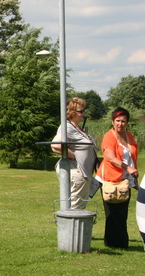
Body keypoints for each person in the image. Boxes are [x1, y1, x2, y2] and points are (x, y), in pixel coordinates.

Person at [96, 107, 138, 248]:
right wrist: (129, 168)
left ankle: (121, 243)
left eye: (123, 121)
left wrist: (133, 174)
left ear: (127, 122)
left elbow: (132, 155)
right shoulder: (109, 136)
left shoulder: (129, 136)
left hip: (125, 179)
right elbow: (111, 158)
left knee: (123, 213)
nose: (120, 124)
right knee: (113, 213)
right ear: (112, 121)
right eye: (118, 121)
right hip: (110, 179)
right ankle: (112, 243)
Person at [51, 97, 98, 209]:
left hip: (83, 174)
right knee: (74, 209)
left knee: (78, 208)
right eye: (80, 111)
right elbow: (56, 145)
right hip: (77, 172)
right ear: (71, 112)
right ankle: (69, 227)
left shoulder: (77, 128)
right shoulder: (67, 127)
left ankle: (71, 226)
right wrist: (72, 155)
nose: (83, 113)